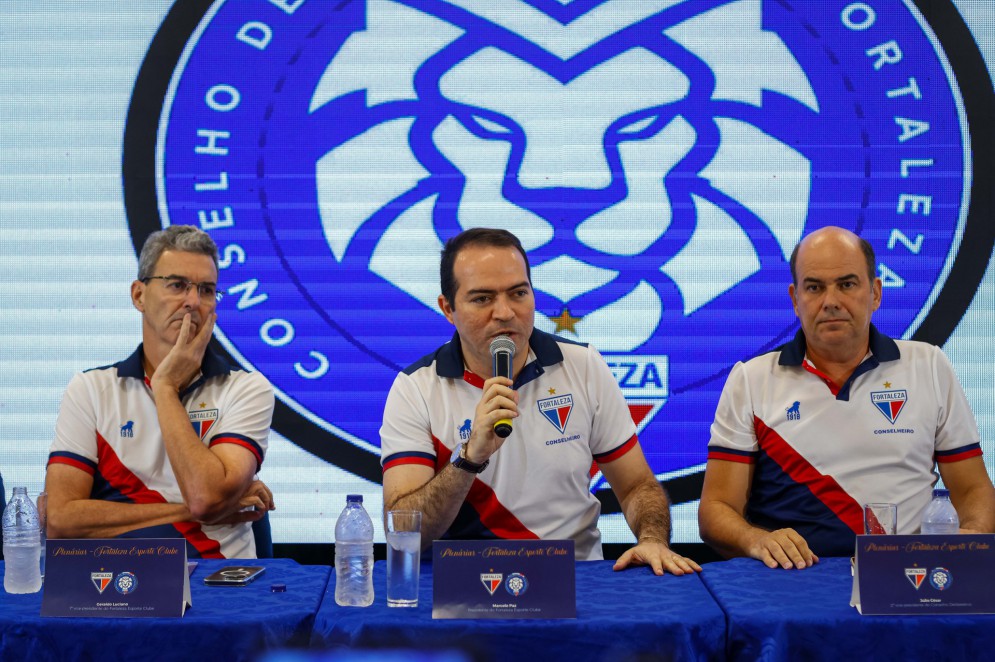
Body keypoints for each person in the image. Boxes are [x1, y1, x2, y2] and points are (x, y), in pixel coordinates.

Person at [380, 228, 699, 575]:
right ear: (448, 308)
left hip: (572, 578)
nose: (504, 312)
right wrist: (470, 458)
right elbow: (404, 531)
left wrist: (652, 539)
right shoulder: (415, 388)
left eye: (518, 293)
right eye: (482, 298)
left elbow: (637, 485)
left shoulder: (583, 366)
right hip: (462, 586)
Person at [699, 226, 995, 569]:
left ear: (876, 293)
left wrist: (969, 542)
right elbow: (715, 510)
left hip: (907, 578)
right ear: (795, 299)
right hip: (789, 581)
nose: (831, 301)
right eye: (814, 287)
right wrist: (756, 541)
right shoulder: (751, 380)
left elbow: (974, 490)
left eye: (847, 284)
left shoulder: (928, 365)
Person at [45, 225, 276, 558]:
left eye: (207, 290)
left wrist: (165, 388)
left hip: (221, 583)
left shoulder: (246, 388)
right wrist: (193, 512)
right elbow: (62, 521)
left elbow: (205, 497)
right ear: (139, 295)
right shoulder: (91, 389)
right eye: (177, 285)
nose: (193, 302)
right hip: (116, 584)